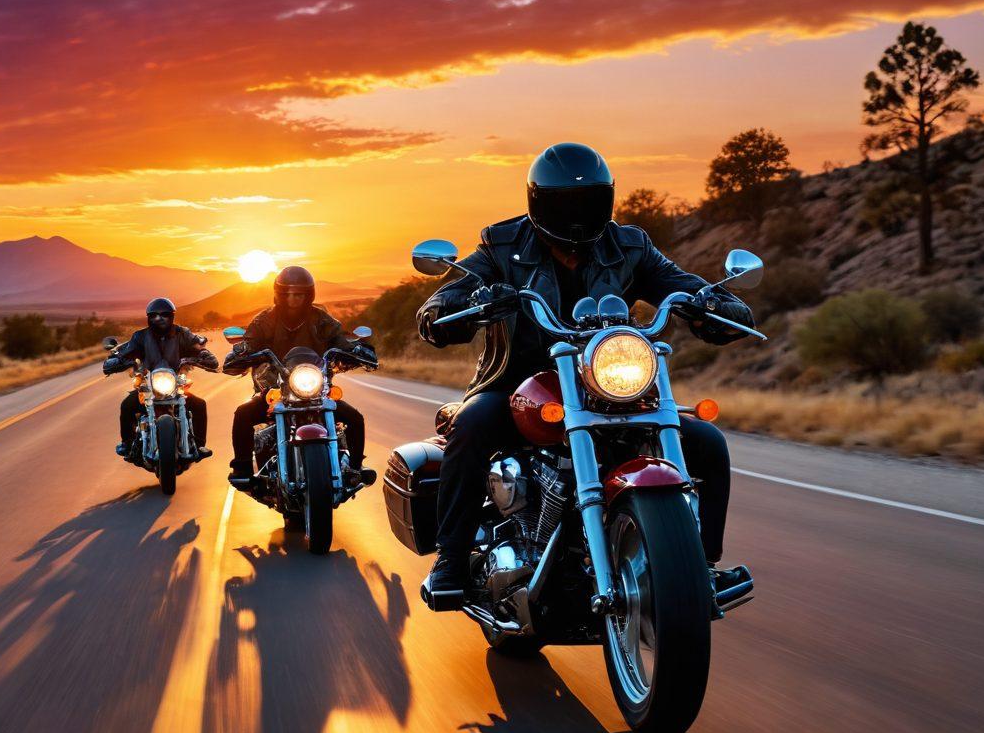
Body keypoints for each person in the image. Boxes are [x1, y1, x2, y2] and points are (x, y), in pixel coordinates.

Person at [416, 142, 755, 605]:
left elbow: (682, 284)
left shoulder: (630, 246)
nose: (576, 214)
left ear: (607, 200)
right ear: (538, 202)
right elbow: (444, 301)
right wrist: (458, 304)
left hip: (610, 385)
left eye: (588, 201)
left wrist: (714, 303)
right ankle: (451, 561)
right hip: (520, 383)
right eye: (563, 203)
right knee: (471, 424)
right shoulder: (503, 246)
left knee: (708, 444)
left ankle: (700, 567)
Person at [223, 265, 375, 487]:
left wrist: (358, 350)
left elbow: (340, 340)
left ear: (309, 295)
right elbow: (251, 342)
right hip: (275, 389)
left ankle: (354, 467)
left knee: (354, 418)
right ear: (279, 295)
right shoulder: (265, 320)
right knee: (243, 413)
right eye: (288, 294)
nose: (293, 299)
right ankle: (243, 468)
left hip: (315, 389)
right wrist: (241, 353)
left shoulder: (321, 320)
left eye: (299, 294)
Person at [102, 297, 217, 458]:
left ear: (172, 316)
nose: (159, 318)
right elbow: (126, 351)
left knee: (199, 405)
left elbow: (197, 345)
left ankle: (199, 445)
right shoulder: (140, 337)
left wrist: (205, 355)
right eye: (154, 315)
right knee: (127, 405)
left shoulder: (182, 333)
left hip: (175, 386)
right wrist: (116, 360)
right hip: (148, 386)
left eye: (164, 314)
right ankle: (127, 444)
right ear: (149, 317)